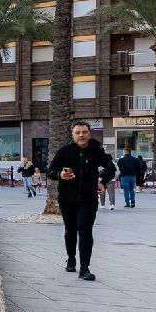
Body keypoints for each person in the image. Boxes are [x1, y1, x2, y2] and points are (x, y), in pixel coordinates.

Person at [47, 120, 116, 282]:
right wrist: (60, 175)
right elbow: (50, 171)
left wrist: (102, 182)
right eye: (78, 133)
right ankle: (71, 259)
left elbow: (111, 169)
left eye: (84, 132)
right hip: (67, 198)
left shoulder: (96, 151)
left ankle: (85, 269)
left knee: (85, 230)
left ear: (89, 133)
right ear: (73, 134)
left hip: (88, 199)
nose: (81, 135)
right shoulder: (64, 151)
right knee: (70, 230)